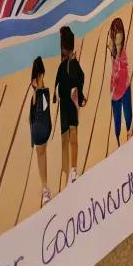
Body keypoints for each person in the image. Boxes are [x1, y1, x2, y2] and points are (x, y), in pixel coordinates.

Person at [54, 24, 86, 188]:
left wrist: (78, 95)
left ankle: (72, 170)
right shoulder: (69, 62)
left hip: (70, 103)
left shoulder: (70, 63)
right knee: (67, 137)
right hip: (68, 102)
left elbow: (79, 77)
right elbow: (80, 78)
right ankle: (70, 170)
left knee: (69, 137)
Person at [27, 56, 52, 205]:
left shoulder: (42, 91)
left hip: (43, 128)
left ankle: (45, 187)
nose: (42, 77)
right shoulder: (37, 93)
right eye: (41, 75)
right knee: (41, 156)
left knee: (42, 156)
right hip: (39, 130)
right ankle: (44, 188)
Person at [106, 16, 132, 146]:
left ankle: (126, 137)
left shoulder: (121, 52)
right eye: (114, 33)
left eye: (118, 32)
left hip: (123, 88)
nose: (117, 36)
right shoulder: (116, 51)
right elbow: (115, 71)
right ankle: (120, 140)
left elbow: (120, 70)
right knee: (118, 121)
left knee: (126, 118)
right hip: (118, 90)